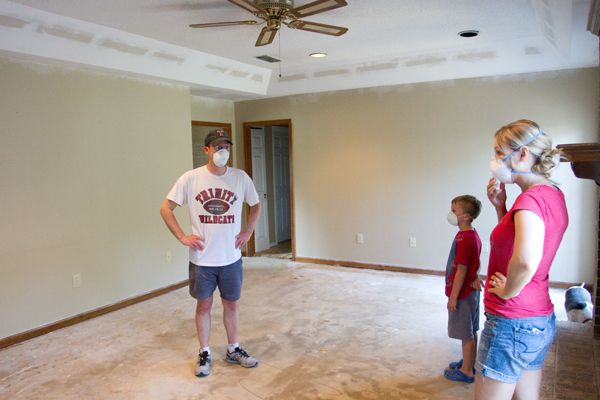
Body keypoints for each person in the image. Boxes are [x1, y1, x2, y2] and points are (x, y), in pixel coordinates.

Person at [475, 120, 568, 399]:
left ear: (523, 154)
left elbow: (527, 260)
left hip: (512, 320)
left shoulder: (529, 202)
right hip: (538, 318)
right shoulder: (551, 194)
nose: (494, 160)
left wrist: (508, 290)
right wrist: (500, 206)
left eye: (498, 152)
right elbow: (516, 242)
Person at [159, 129, 261, 378]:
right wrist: (182, 237)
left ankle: (233, 349)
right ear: (206, 150)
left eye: (226, 146)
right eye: (217, 147)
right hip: (202, 260)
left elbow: (255, 204)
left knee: (231, 304)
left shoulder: (240, 177)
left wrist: (248, 231)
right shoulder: (190, 178)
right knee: (204, 305)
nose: (222, 151)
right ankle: (204, 351)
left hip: (231, 258)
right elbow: (166, 208)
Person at [443, 195, 482, 384]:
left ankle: (467, 371)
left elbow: (462, 269)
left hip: (463, 295)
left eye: (454, 210)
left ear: (465, 216)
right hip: (470, 292)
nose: (451, 214)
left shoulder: (465, 238)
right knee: (471, 329)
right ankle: (468, 362)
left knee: (466, 333)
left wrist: (453, 297)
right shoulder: (471, 234)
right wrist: (476, 276)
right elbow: (475, 261)